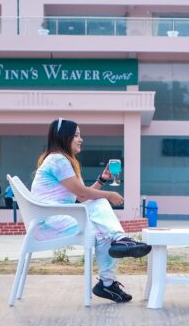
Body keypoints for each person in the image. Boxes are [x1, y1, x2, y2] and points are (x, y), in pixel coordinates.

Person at [31, 117, 151, 303]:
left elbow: (81, 197)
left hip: (56, 218)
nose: (81, 139)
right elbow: (82, 193)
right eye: (76, 135)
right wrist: (110, 194)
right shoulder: (57, 160)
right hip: (50, 222)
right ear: (64, 137)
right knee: (102, 218)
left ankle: (109, 276)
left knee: (102, 222)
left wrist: (101, 180)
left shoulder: (59, 160)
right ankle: (110, 275)